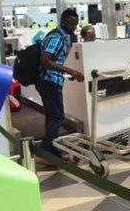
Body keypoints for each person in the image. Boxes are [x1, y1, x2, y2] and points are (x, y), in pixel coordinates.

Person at [36, 9, 85, 161]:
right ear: (63, 21)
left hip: (47, 80)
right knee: (58, 117)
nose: (73, 27)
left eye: (76, 24)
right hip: (49, 81)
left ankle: (51, 149)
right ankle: (46, 151)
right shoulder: (58, 37)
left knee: (52, 116)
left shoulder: (59, 35)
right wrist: (71, 71)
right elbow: (45, 60)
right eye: (71, 23)